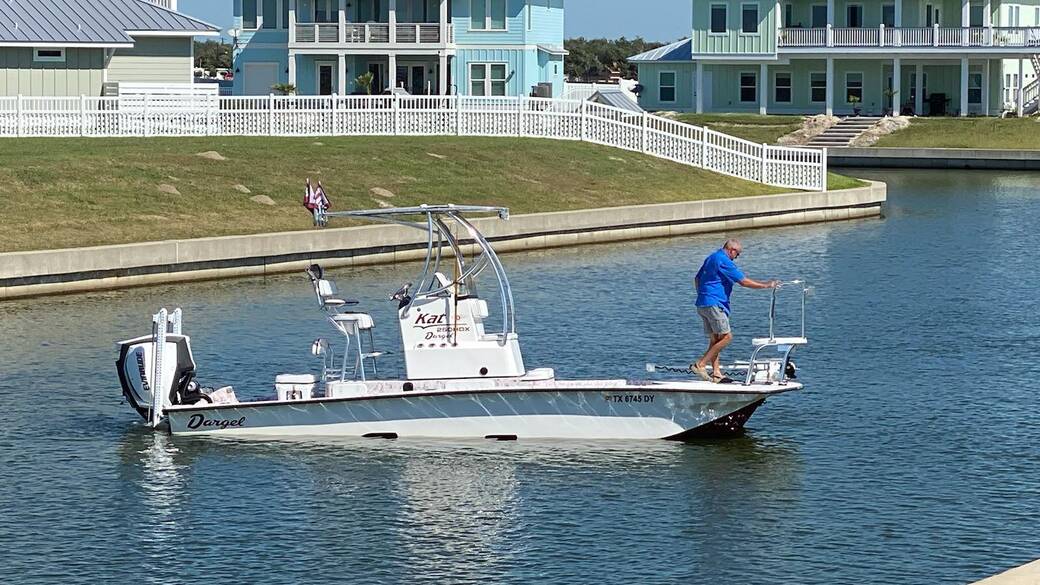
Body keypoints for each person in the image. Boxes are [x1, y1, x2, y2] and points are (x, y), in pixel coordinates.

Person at [692, 239, 777, 383]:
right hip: (715, 304)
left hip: (703, 303)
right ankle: (700, 364)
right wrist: (767, 285)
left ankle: (716, 373)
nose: (736, 257)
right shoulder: (724, 260)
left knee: (716, 339)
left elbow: (697, 279)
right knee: (727, 337)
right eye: (737, 254)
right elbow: (743, 281)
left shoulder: (711, 257)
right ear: (732, 250)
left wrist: (704, 295)